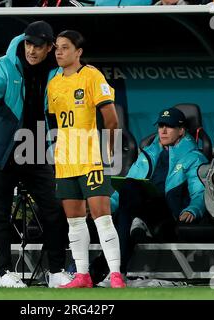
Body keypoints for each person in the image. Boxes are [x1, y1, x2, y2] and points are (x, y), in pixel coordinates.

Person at [0, 21, 71, 288]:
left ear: (49, 47)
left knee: (54, 209)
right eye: (28, 44)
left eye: (38, 46)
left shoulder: (58, 71)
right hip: (3, 148)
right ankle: (5, 273)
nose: (32, 51)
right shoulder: (7, 63)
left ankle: (57, 271)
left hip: (35, 149)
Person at [47, 30, 126, 288]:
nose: (59, 51)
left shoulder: (92, 76)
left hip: (91, 157)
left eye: (65, 47)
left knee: (102, 216)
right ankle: (82, 275)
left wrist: (110, 150)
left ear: (78, 52)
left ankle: (115, 273)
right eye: (57, 47)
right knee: (74, 221)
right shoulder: (54, 83)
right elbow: (55, 122)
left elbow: (111, 118)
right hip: (65, 160)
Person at [105, 107, 208, 284]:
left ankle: (114, 272)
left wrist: (193, 209)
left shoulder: (194, 157)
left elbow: (200, 191)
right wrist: (107, 206)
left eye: (169, 126)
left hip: (167, 210)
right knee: (127, 194)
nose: (163, 130)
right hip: (141, 205)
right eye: (160, 126)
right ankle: (118, 271)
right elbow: (126, 188)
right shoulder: (147, 153)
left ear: (181, 131)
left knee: (126, 211)